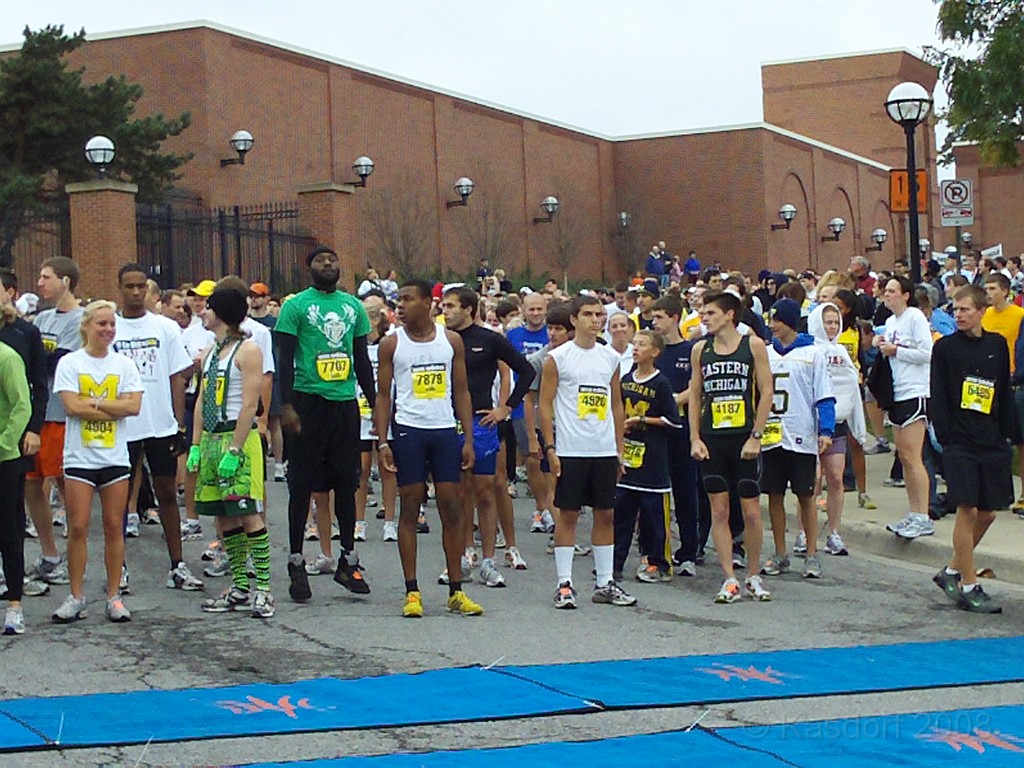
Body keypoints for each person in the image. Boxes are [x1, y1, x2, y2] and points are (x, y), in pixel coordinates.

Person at [375, 280, 482, 618]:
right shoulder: (392, 344)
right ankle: (412, 590)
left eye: (407, 299)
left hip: (444, 430)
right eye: (398, 300)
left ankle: (455, 590)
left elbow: (462, 391)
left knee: (452, 507)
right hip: (409, 430)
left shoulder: (450, 341)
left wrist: (467, 438)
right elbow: (383, 395)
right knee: (410, 506)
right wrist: (382, 440)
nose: (401, 306)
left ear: (427, 303)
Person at [275, 246, 376, 602]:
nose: (328, 264)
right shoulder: (296, 306)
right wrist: (285, 405)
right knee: (302, 486)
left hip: (343, 405)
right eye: (320, 260)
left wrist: (375, 402)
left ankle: (348, 559)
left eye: (333, 259)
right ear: (309, 268)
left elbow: (361, 358)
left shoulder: (354, 307)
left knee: (346, 484)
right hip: (307, 402)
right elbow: (284, 359)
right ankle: (296, 560)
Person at [539, 295, 636, 609]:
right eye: (589, 315)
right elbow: (545, 404)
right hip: (570, 448)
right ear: (574, 320)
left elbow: (616, 403)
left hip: (603, 449)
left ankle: (605, 582)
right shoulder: (559, 358)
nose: (597, 320)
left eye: (600, 315)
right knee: (568, 515)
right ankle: (564, 583)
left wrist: (619, 448)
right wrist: (550, 447)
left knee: (605, 513)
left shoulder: (610, 358)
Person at [52, 301, 143, 623]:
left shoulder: (124, 365)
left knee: (113, 526)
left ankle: (114, 595)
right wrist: (110, 406)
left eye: (111, 325)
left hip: (115, 457)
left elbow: (134, 407)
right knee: (77, 526)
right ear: (87, 326)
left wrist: (95, 400)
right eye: (101, 324)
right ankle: (76, 595)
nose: (107, 330)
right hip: (80, 456)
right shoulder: (70, 363)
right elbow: (71, 406)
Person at [114, 264, 202, 593]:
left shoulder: (164, 328)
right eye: (129, 286)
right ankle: (117, 567)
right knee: (120, 498)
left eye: (141, 286)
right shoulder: (112, 327)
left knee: (166, 493)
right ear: (119, 288)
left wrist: (178, 423)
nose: (136, 292)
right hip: (122, 425)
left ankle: (177, 565)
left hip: (159, 423)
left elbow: (177, 376)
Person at [440, 286, 534, 588]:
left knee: (485, 490)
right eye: (443, 305)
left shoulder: (490, 340)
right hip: (447, 422)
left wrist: (505, 408)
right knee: (457, 491)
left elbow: (526, 371)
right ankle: (465, 554)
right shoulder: (439, 339)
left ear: (469, 308)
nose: (446, 311)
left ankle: (490, 560)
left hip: (482, 423)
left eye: (452, 306)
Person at [189, 284, 274, 618]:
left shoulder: (248, 350)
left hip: (237, 440)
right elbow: (200, 400)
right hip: (211, 438)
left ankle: (264, 589)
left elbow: (250, 403)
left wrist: (236, 449)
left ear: (221, 312)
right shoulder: (211, 352)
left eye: (208, 307)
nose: (203, 312)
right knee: (224, 516)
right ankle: (239, 585)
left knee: (247, 511)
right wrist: (195, 445)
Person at [931, 285, 1016, 614]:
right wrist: (946, 435)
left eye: (966, 309)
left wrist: (1005, 434)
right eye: (956, 309)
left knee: (989, 513)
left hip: (991, 441)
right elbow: (938, 393)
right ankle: (969, 584)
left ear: (982, 311)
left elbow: (1003, 393)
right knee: (966, 509)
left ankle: (951, 571)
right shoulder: (946, 349)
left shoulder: (996, 344)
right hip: (959, 442)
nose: (960, 315)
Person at [688, 291, 774, 603]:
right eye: (703, 313)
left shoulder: (753, 346)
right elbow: (695, 395)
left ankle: (753, 574)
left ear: (729, 315)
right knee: (719, 509)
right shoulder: (701, 349)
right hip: (713, 440)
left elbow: (767, 391)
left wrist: (757, 435)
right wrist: (695, 438)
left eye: (710, 313)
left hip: (743, 439)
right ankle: (729, 578)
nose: (704, 318)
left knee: (751, 511)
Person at [758, 299, 835, 581]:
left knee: (806, 495)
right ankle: (780, 552)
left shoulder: (813, 354)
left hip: (801, 432)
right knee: (774, 495)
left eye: (777, 320)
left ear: (790, 321)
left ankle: (812, 553)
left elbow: (824, 396)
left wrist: (826, 430)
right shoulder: (765, 353)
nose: (772, 326)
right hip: (772, 434)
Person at [24, 257, 83, 590]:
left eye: (46, 277)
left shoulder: (79, 320)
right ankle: (50, 555)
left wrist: (34, 356)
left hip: (61, 413)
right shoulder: (42, 318)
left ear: (66, 281)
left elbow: (59, 359)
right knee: (32, 484)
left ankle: (77, 556)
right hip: (37, 413)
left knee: (66, 484)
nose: (41, 283)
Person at [613, 330, 680, 582]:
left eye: (642, 344)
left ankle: (659, 563)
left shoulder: (661, 383)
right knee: (621, 515)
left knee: (655, 517)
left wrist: (642, 419)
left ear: (655, 352)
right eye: (635, 344)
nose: (636, 348)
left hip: (653, 460)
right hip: (628, 459)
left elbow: (673, 421)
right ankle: (614, 563)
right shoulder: (626, 380)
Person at [806, 302, 868, 556]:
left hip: (838, 425)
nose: (831, 327)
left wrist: (859, 427)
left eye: (835, 322)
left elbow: (851, 389)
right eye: (826, 322)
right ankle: (805, 532)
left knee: (835, 477)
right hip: (811, 424)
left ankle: (833, 532)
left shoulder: (842, 353)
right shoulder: (809, 352)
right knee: (811, 481)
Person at [877, 276, 935, 539]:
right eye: (885, 291)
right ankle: (913, 512)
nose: (886, 295)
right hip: (897, 392)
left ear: (905, 295)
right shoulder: (890, 322)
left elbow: (927, 353)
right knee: (903, 456)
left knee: (913, 456)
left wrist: (896, 351)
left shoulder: (915, 318)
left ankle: (923, 514)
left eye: (892, 291)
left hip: (915, 391)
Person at [649, 295, 699, 576]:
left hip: (681, 428)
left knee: (685, 491)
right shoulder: (652, 351)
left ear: (675, 318)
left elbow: (696, 386)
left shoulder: (689, 351)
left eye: (659, 317)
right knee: (655, 492)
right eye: (652, 318)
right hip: (655, 431)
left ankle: (689, 551)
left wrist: (672, 402)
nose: (654, 322)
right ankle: (657, 549)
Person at [507, 292, 553, 533]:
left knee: (551, 460)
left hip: (551, 405)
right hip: (522, 405)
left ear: (546, 309)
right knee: (532, 459)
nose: (535, 314)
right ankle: (541, 507)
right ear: (523, 311)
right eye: (531, 309)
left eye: (539, 309)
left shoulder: (554, 334)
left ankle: (554, 508)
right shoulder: (512, 336)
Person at [980, 273, 1024, 514]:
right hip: (989, 383)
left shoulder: (1019, 316)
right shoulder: (985, 315)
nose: (989, 292)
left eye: (993, 288)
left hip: (1013, 381)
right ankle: (997, 492)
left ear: (1005, 291)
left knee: (1019, 441)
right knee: (995, 440)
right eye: (986, 288)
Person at [0, 339, 32, 634]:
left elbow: (22, 406)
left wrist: (4, 443)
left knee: (9, 533)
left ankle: (14, 606)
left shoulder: (7, 358)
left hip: (5, 460)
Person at [607, 311, 635, 377]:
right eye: (614, 326)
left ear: (630, 328)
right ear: (608, 330)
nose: (619, 329)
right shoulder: (603, 353)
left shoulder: (636, 352)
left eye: (623, 325)